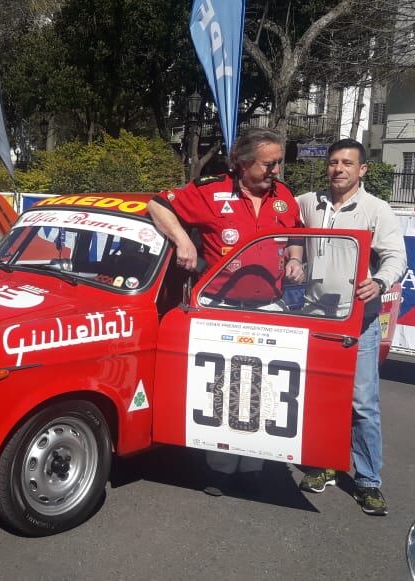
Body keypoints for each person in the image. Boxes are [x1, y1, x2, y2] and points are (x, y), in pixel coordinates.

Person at [148, 127, 305, 495]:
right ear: (242, 163)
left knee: (264, 388)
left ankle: (253, 467)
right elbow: (158, 205)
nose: (276, 171)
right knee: (224, 387)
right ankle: (218, 469)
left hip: (269, 307)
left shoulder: (284, 197)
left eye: (279, 162)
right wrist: (183, 239)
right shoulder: (211, 191)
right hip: (221, 307)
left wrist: (295, 258)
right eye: (269, 164)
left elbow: (296, 234)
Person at [295, 139, 407, 516]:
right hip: (315, 318)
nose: (338, 169)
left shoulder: (377, 210)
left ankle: (368, 481)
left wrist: (381, 282)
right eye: (333, 163)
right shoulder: (308, 202)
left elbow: (396, 257)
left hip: (359, 321)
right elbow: (289, 234)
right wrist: (292, 258)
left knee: (362, 404)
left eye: (347, 163)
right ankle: (324, 463)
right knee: (320, 397)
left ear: (362, 170)